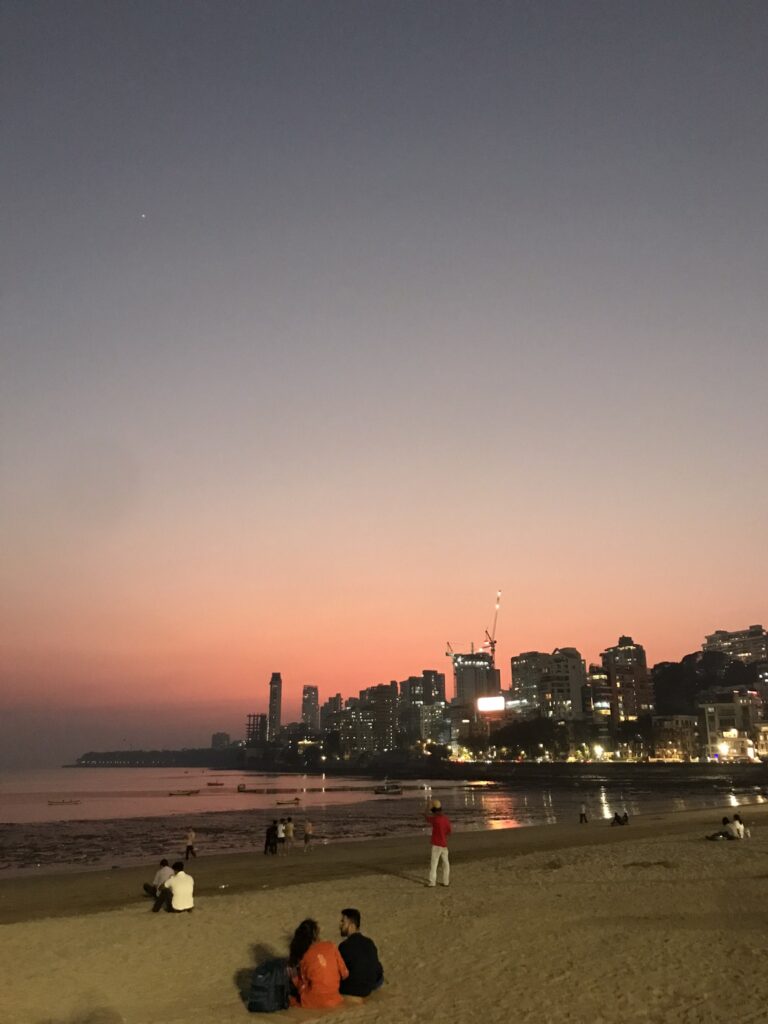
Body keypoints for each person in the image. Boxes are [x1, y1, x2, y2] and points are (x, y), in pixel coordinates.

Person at [288, 918, 348, 1008]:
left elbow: (303, 985)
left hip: (313, 1001)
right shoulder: (331, 946)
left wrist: (295, 979)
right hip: (335, 998)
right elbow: (345, 973)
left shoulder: (304, 956)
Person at [338, 908, 383, 1000]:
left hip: (352, 989)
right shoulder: (369, 942)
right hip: (369, 987)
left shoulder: (344, 946)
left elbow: (339, 971)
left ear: (352, 926)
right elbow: (377, 968)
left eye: (343, 922)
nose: (340, 925)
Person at [425, 799, 451, 887]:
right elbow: (449, 831)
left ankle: (432, 882)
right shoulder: (445, 819)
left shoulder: (435, 820)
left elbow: (426, 816)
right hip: (444, 844)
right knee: (446, 863)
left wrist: (427, 807)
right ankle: (446, 882)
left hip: (436, 844)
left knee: (434, 864)